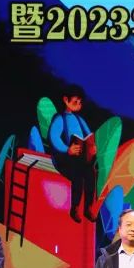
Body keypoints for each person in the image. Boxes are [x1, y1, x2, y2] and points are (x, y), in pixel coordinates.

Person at [48, 84, 97, 223]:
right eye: (75, 102)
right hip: (64, 159)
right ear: (66, 100)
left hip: (80, 158)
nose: (78, 105)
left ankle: (88, 208)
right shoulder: (60, 119)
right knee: (78, 176)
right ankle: (74, 208)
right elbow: (54, 137)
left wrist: (92, 146)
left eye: (80, 103)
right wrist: (67, 149)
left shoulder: (80, 119)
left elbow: (89, 134)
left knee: (91, 174)